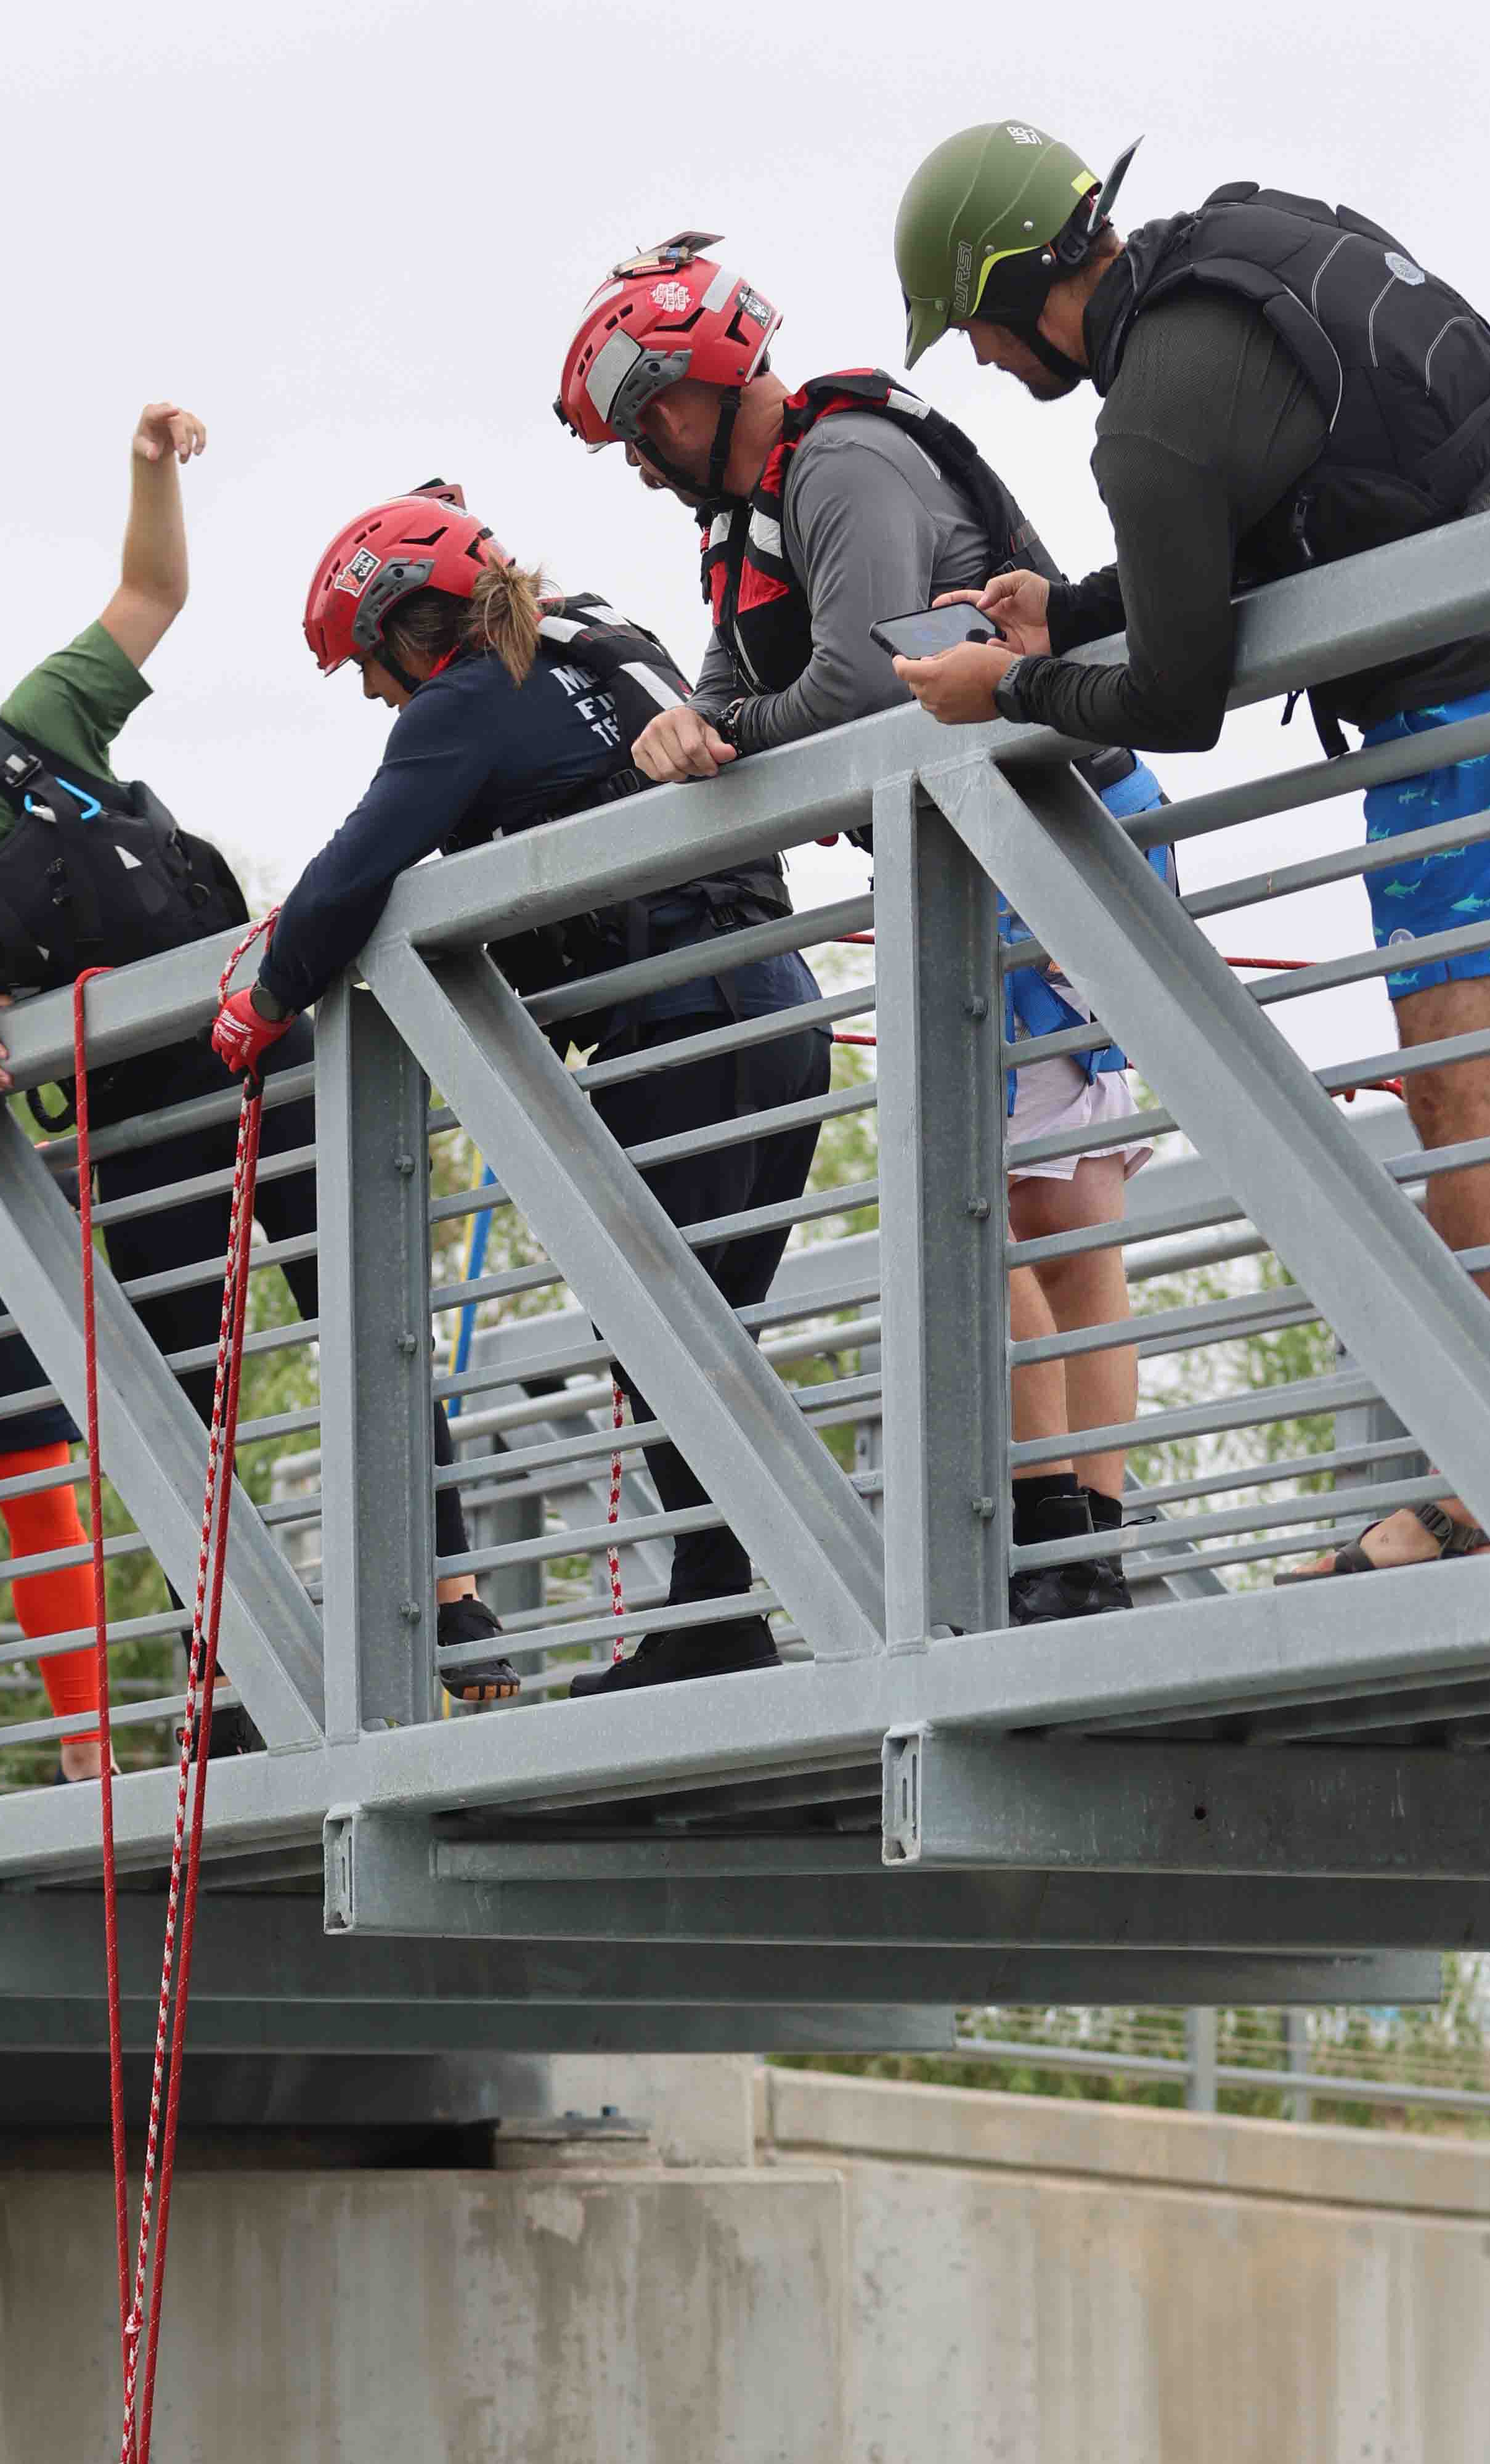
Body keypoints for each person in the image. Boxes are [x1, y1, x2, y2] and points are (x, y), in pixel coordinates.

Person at [888, 127, 1490, 1575]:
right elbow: (1252, 529)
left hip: (1467, 706)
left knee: (1466, 1093)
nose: (975, 362)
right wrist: (1068, 611)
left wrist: (1004, 687)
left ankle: (1475, 1498)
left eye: (968, 327)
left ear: (1016, 286)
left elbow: (1174, 700)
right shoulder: (1231, 249)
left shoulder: (1140, 416)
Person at [0, 406, 502, 1735]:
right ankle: (227, 1671)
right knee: (176, 1406)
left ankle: (450, 1593)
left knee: (363, 1312)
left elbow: (152, 593)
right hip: (135, 1130)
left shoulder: (33, 734)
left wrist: (149, 469)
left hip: (262, 1054)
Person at [553, 235, 1149, 1627]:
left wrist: (728, 738)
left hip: (1048, 830)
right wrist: (687, 730)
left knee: (1045, 1217)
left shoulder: (838, 465)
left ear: (698, 383)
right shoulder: (742, 512)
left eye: (644, 424)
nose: (639, 459)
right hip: (970, 855)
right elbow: (722, 690)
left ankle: (1078, 1550)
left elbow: (864, 686)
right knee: (1003, 1206)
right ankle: (1059, 1541)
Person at [209, 483, 833, 1691]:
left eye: (367, 666)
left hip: (676, 1028)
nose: (375, 694)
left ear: (404, 626)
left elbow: (356, 866)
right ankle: (730, 1606)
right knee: (705, 1336)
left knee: (655, 1335)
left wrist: (264, 996)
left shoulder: (466, 695)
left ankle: (725, 1617)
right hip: (780, 1008)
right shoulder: (596, 640)